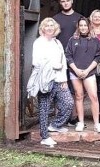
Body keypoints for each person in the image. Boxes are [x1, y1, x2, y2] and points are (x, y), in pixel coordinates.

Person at [30, 17, 74, 147]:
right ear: (42, 28)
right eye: (47, 25)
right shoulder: (39, 43)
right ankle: (44, 136)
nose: (49, 27)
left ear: (55, 28)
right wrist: (53, 65)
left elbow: (63, 62)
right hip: (45, 80)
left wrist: (64, 79)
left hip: (59, 79)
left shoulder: (57, 43)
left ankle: (55, 125)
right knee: (45, 108)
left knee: (68, 103)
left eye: (51, 25)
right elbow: (36, 62)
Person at [65, 17, 100, 133]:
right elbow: (68, 55)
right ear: (78, 27)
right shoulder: (72, 39)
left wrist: (87, 70)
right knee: (78, 96)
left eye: (85, 25)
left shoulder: (95, 40)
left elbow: (98, 56)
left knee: (93, 96)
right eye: (81, 25)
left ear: (89, 26)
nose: (83, 28)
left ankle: (97, 124)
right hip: (75, 72)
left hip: (89, 72)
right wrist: (76, 70)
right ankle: (80, 122)